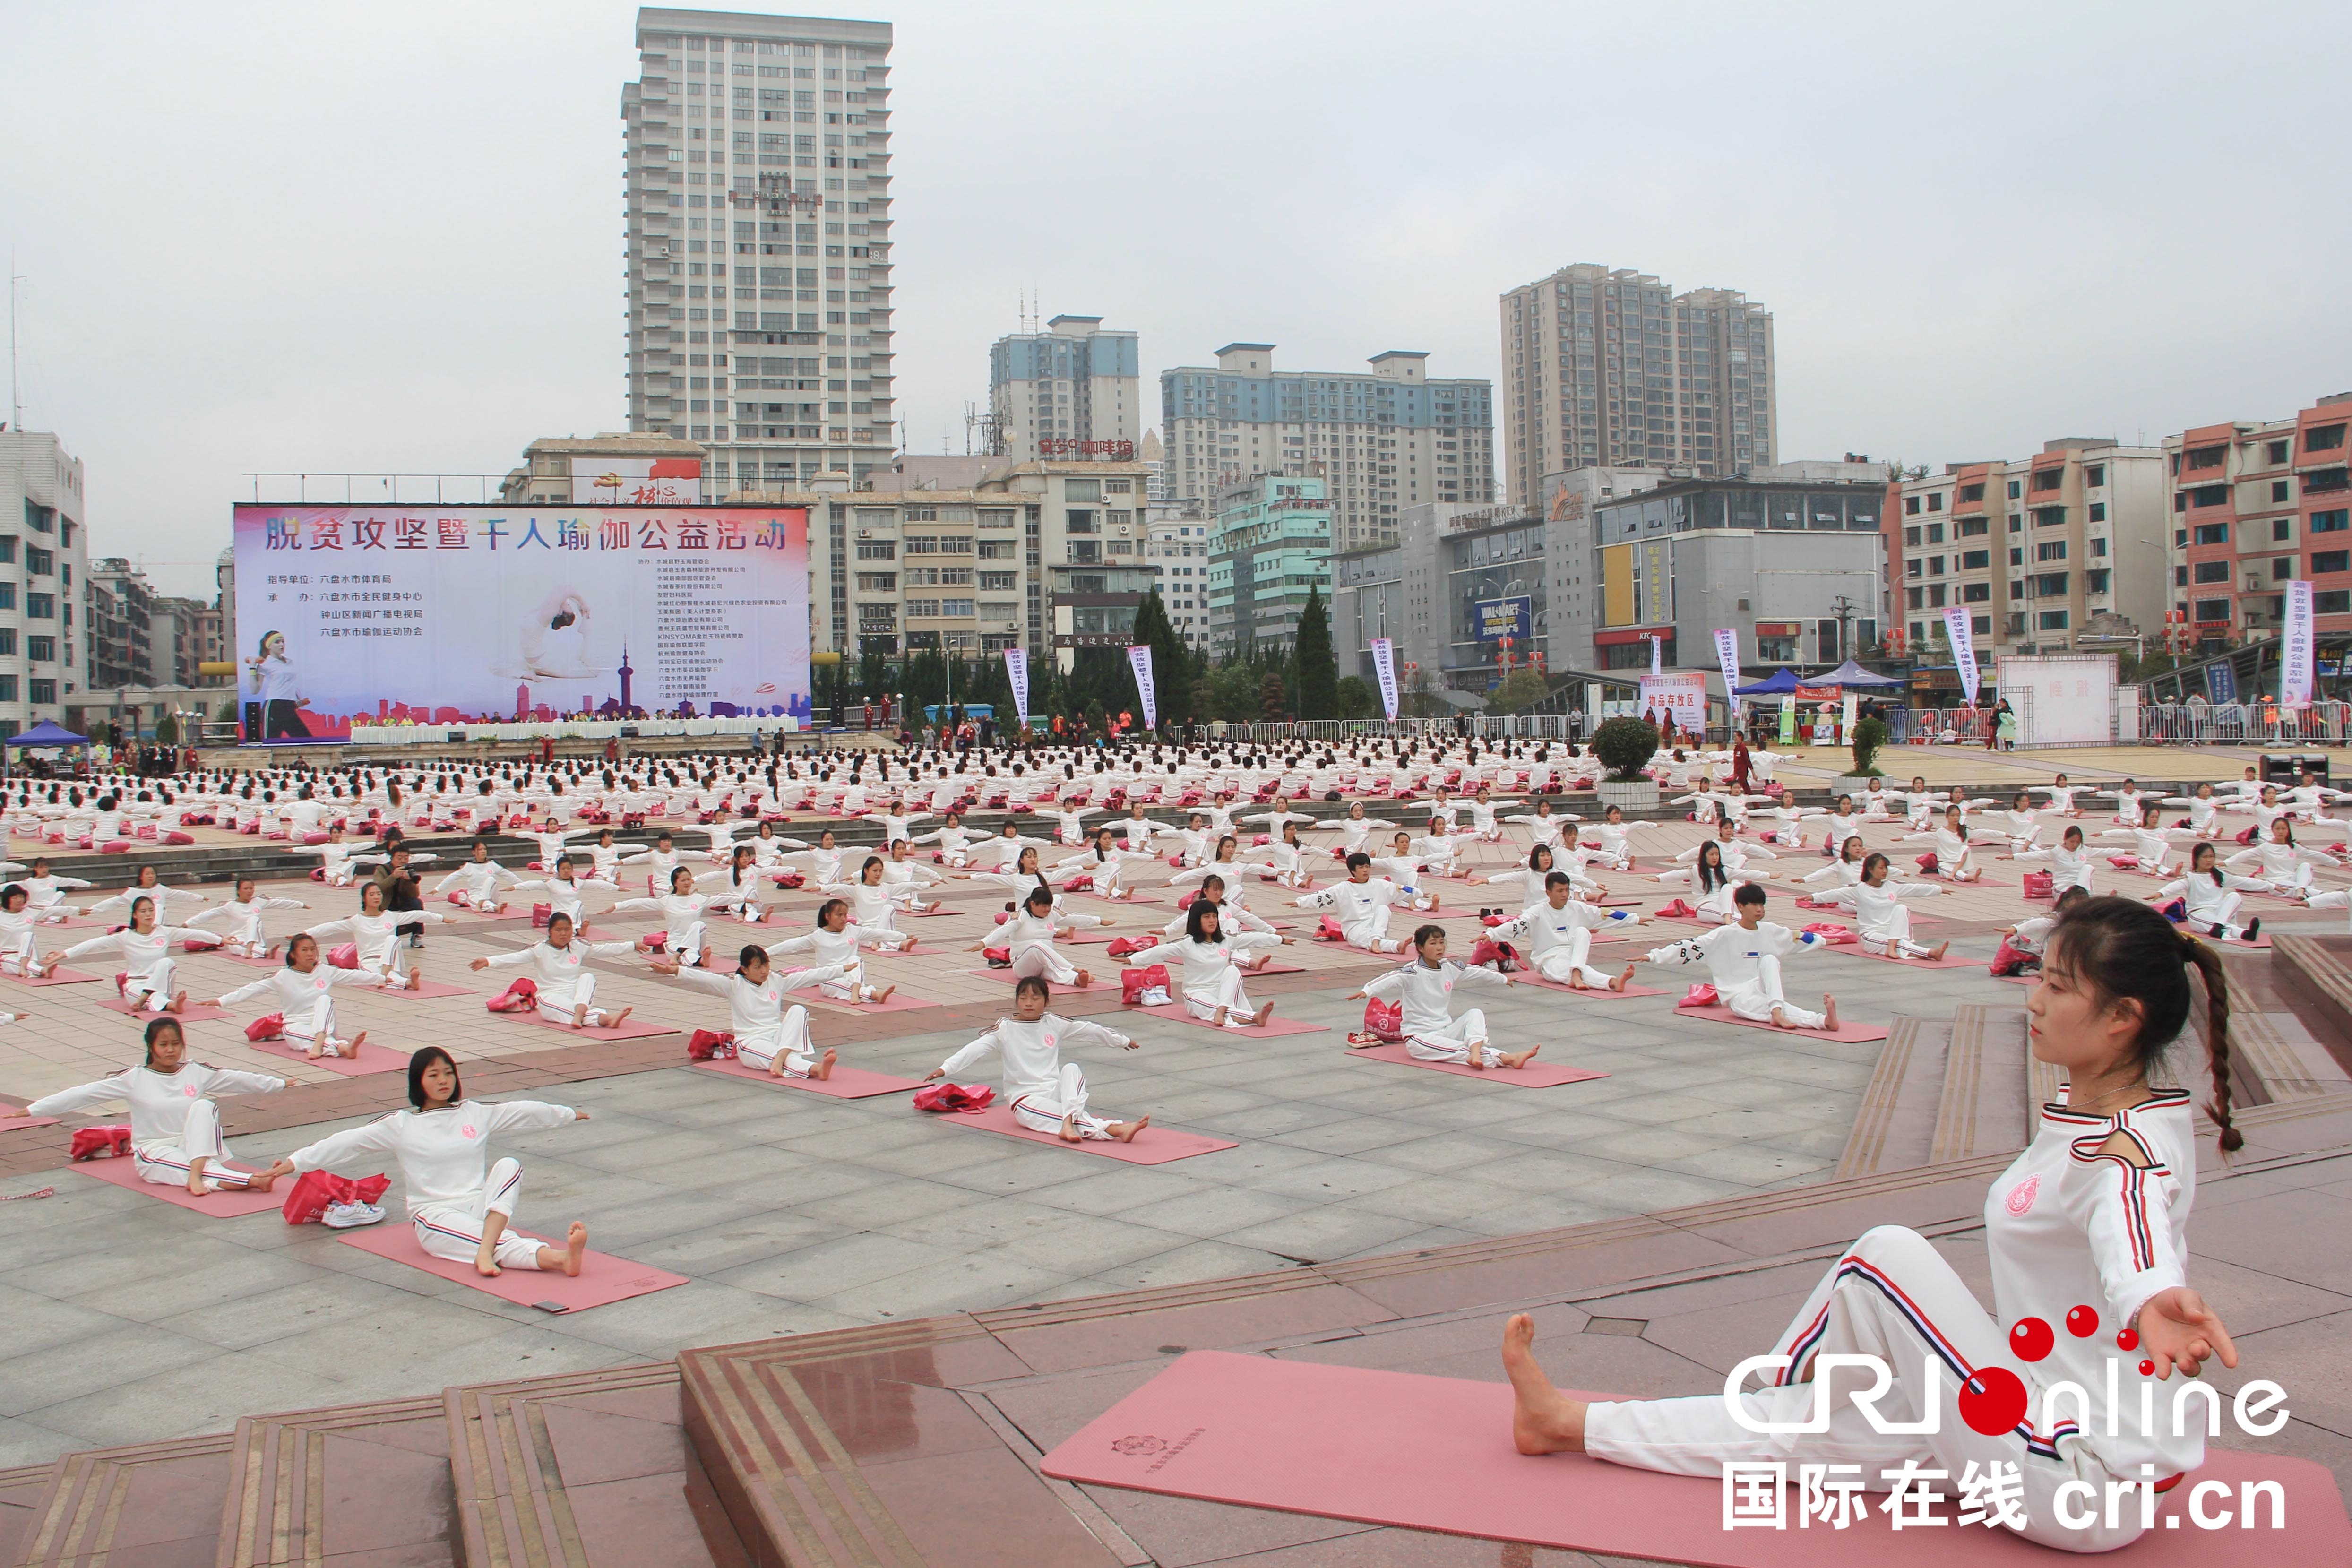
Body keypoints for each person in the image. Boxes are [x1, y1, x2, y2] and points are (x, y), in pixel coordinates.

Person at [1500, 896, 2242, 1554]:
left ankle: (1781, 1386)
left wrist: (2150, 1296)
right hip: (2054, 1444)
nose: (2035, 999)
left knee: (1883, 1256)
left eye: (2057, 986)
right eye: (2039, 977)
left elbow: (2132, 1215)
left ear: (2122, 1017)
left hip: (2073, 1476)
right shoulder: (2134, 1117)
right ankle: (1566, 1424)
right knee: (1821, 1439)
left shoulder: (2123, 1150)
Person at [259, 1046, 590, 1278]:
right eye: (434, 1075)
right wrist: (295, 1162)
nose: (444, 1081)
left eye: (448, 1073)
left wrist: (567, 1114)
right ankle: (557, 1259)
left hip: (477, 1206)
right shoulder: (401, 1125)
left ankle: (485, 1250)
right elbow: (347, 1142)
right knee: (496, 1239)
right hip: (435, 1215)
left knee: (509, 1165)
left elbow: (522, 1110)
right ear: (419, 1081)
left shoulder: (474, 1113)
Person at [27, 1018, 279, 1195]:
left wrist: (278, 1083)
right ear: (151, 1047)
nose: (171, 1050)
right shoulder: (134, 1079)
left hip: (194, 1146)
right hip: (155, 1151)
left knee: (205, 1106)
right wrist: (34, 1110)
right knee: (204, 1168)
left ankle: (208, 1177)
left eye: (176, 1044)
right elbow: (84, 1094)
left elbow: (236, 1079)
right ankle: (253, 1180)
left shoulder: (195, 1072)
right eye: (163, 1045)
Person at [925, 974, 1149, 1143]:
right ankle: (1115, 1129)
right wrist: (946, 1068)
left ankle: (1068, 1124)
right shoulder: (1004, 1029)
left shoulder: (1053, 1023)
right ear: (1017, 1002)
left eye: (1035, 998)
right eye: (1023, 998)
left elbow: (1088, 1030)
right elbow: (976, 1048)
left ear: (1046, 1001)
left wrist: (1122, 1040)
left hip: (1055, 1092)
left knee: (1072, 1069)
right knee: (1068, 1115)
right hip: (1027, 1100)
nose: (1029, 1003)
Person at [1635, 882, 1838, 1030]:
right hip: (1738, 995)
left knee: (1770, 960)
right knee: (1775, 1007)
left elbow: (1798, 937)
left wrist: (1823, 940)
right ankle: (1820, 1020)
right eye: (1754, 905)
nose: (1759, 910)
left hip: (1762, 987)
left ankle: (1779, 1012)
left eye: (1762, 905)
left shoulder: (1770, 930)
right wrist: (1653, 956)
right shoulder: (1724, 935)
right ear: (1740, 906)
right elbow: (1691, 947)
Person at [1352, 925, 1539, 1068]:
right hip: (1420, 1039)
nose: (1440, 947)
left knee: (1475, 1013)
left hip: (1445, 1030)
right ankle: (1505, 1058)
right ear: (1420, 948)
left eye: (1442, 943)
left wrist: (1503, 979)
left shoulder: (1449, 967)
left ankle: (1477, 1052)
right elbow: (1389, 978)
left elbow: (1475, 972)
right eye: (1433, 944)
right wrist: (1367, 991)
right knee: (1459, 1051)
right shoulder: (1412, 972)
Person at [654, 944, 840, 1080]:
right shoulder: (734, 984)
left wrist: (843, 969)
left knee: (799, 1010)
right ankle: (815, 1069)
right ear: (744, 969)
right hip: (751, 1042)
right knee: (779, 1055)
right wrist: (676, 971)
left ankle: (781, 1057)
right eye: (758, 967)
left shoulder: (776, 980)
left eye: (766, 965)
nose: (764, 971)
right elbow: (704, 978)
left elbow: (810, 976)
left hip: (778, 1036)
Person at [1116, 899, 1289, 1030]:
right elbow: (1161, 951)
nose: (1212, 920)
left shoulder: (1225, 940)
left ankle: (1223, 1011)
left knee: (1232, 971)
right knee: (1211, 1007)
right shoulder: (1187, 943)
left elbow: (1253, 938)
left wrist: (1279, 939)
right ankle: (1253, 1017)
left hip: (1223, 991)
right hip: (1198, 992)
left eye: (1214, 916)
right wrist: (1133, 960)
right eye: (1207, 917)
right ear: (1196, 921)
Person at [212, 931, 385, 1058]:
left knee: (325, 999)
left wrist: (381, 978)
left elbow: (353, 975)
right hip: (296, 1024)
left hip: (324, 1025)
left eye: (313, 949)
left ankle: (323, 1043)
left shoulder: (324, 971)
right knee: (306, 1037)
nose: (310, 954)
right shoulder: (283, 976)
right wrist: (221, 1001)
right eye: (304, 950)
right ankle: (342, 1048)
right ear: (294, 955)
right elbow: (252, 990)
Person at [469, 912, 637, 1029]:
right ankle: (605, 1018)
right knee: (555, 1006)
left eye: (567, 930)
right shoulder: (540, 949)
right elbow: (515, 958)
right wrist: (489, 961)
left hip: (576, 996)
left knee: (588, 977)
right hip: (551, 997)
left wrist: (632, 945)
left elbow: (605, 949)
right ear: (550, 932)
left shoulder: (578, 946)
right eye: (558, 930)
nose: (563, 934)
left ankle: (581, 1015)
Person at [243, 630, 309, 741]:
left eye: (283, 642)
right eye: (277, 642)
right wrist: (252, 667)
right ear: (269, 646)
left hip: (289, 706)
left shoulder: (290, 662)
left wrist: (297, 700)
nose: (282, 645)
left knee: (306, 740)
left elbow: (289, 683)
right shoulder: (265, 664)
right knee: (271, 741)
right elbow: (255, 690)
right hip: (274, 706)